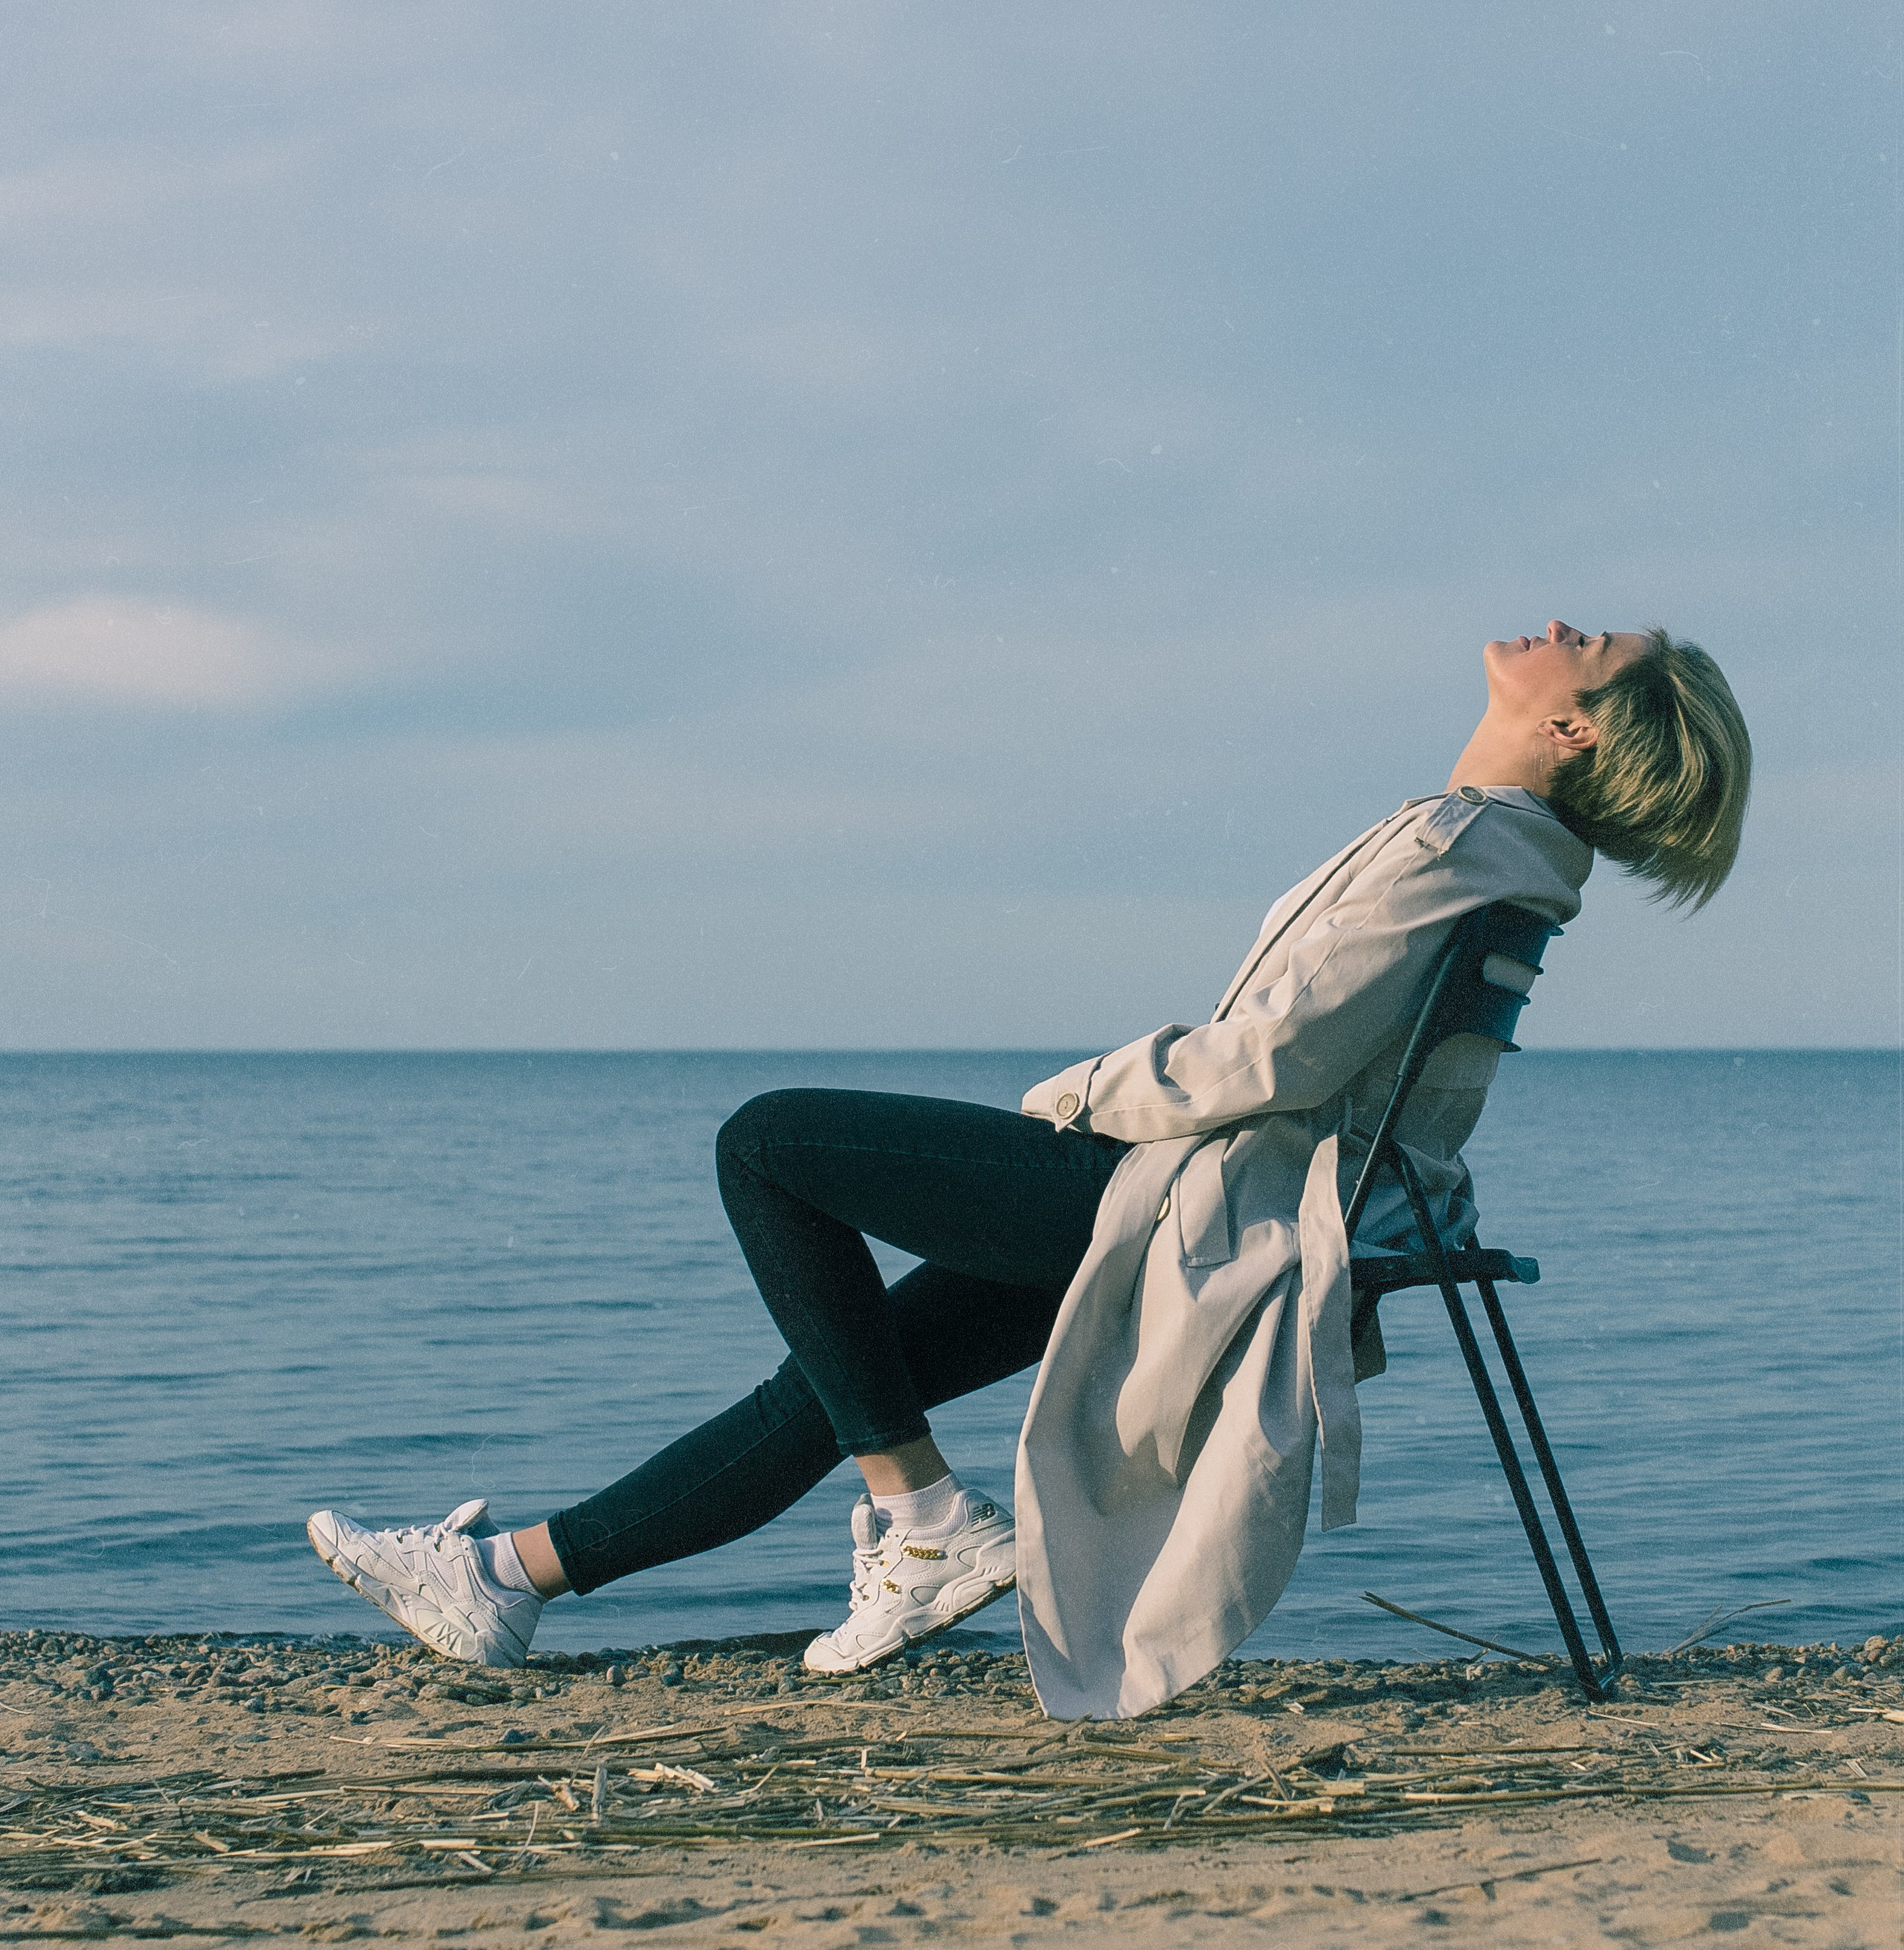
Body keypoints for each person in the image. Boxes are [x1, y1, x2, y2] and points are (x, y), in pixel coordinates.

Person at [309, 619, 1751, 1719]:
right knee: (843, 1373)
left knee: (765, 1148)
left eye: (1588, 641)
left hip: (1193, 1192)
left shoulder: (1460, 851)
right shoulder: (1493, 856)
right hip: (1224, 1185)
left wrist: (1075, 1097)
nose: (1556, 624)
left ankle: (925, 1522)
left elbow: (1271, 1061)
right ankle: (507, 1582)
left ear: (1568, 723)